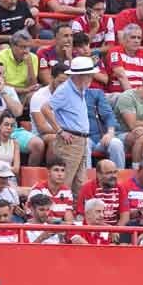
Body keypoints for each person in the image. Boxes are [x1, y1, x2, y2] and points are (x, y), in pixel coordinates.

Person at [48, 56, 99, 200]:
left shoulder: (79, 88)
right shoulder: (65, 90)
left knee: (80, 182)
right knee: (65, 180)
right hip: (70, 140)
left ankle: (75, 214)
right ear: (80, 76)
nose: (91, 78)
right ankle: (58, 211)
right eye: (89, 75)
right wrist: (59, 131)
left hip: (80, 140)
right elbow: (45, 108)